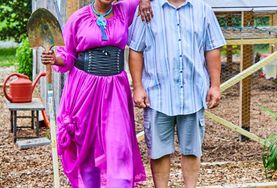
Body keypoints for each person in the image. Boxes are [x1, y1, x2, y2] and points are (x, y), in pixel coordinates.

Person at [41, 0, 153, 187]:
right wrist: (55, 58)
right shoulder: (78, 18)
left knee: (119, 145)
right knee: (88, 147)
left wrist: (145, 1)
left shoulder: (125, 10)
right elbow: (68, 56)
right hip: (85, 90)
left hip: (116, 89)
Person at [128, 0, 226, 187]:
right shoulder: (148, 9)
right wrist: (138, 86)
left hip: (193, 92)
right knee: (158, 151)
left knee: (191, 150)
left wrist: (215, 85)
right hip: (157, 94)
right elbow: (135, 50)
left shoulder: (203, 9)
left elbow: (212, 48)